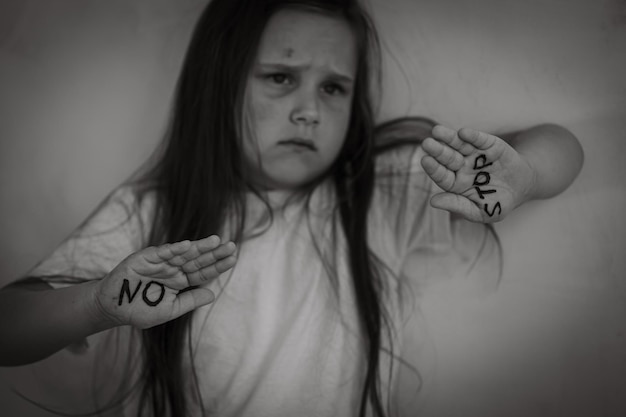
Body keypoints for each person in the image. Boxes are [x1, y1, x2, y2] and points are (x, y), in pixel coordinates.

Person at [0, 0, 584, 416]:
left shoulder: (378, 192)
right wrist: (99, 305)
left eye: (333, 87)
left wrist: (525, 174)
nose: (309, 110)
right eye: (281, 78)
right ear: (219, 85)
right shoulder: (149, 211)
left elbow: (563, 146)